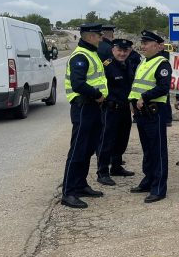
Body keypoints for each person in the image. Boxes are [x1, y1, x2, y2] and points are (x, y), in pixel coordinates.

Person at [61, 24, 108, 209]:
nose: (101, 38)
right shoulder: (80, 56)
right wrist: (97, 95)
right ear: (89, 37)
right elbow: (78, 84)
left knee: (88, 149)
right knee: (78, 150)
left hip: (94, 108)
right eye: (98, 36)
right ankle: (69, 192)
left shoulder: (92, 53)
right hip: (84, 107)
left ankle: (81, 185)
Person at [129, 31, 172, 203]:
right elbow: (136, 86)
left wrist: (144, 97)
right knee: (147, 149)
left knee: (158, 150)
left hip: (155, 112)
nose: (143, 46)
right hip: (141, 112)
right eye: (143, 43)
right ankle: (148, 180)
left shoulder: (162, 64)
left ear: (158, 45)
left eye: (147, 43)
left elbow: (163, 87)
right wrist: (132, 102)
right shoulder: (144, 62)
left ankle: (159, 188)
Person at [96, 38, 137, 186]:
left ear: (129, 51)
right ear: (113, 50)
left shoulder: (129, 65)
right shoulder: (107, 65)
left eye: (125, 51)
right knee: (107, 141)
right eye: (119, 50)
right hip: (110, 109)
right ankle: (102, 172)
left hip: (125, 108)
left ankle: (116, 166)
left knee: (122, 139)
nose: (122, 53)